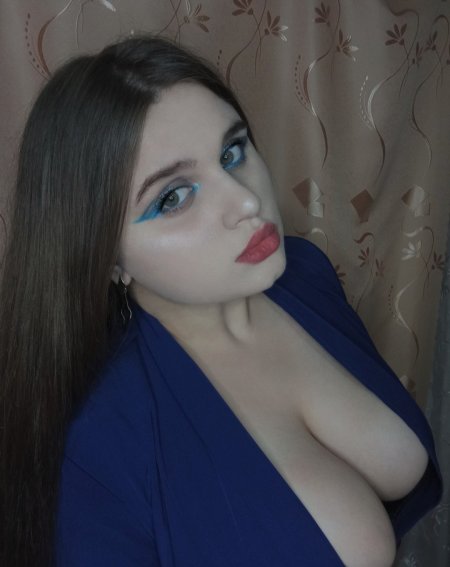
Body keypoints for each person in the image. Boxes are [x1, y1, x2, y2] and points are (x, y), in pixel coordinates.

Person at [0, 34, 442, 567]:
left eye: (232, 152)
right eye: (172, 197)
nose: (247, 201)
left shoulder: (304, 274)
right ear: (107, 258)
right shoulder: (103, 448)